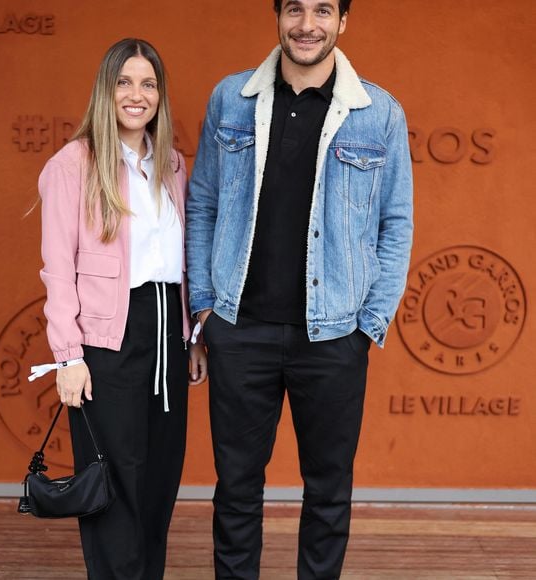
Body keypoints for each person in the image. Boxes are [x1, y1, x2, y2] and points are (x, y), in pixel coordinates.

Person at [186, 0, 413, 577]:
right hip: (241, 329)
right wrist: (206, 308)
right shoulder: (230, 100)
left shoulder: (378, 112)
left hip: (335, 333)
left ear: (343, 21)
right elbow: (204, 204)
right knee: (236, 489)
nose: (306, 24)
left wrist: (369, 323)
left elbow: (396, 222)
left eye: (322, 10)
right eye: (294, 9)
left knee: (329, 491)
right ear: (277, 16)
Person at [35, 38, 207, 579]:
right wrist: (68, 355)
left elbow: (178, 260)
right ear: (106, 92)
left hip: (167, 335)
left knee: (158, 481)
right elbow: (58, 267)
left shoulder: (171, 165)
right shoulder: (73, 165)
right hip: (107, 339)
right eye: (125, 82)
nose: (137, 94)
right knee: (114, 485)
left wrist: (191, 338)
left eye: (149, 83)